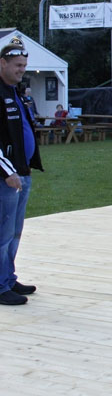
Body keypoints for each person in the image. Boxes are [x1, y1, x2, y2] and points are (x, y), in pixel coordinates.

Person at [0, 37, 43, 305]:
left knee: (14, 232)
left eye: (24, 66)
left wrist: (26, 167)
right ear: (2, 63)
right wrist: (7, 171)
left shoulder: (15, 92)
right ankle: (0, 285)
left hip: (21, 172)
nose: (21, 70)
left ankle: (7, 277)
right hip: (6, 177)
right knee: (3, 233)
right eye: (17, 65)